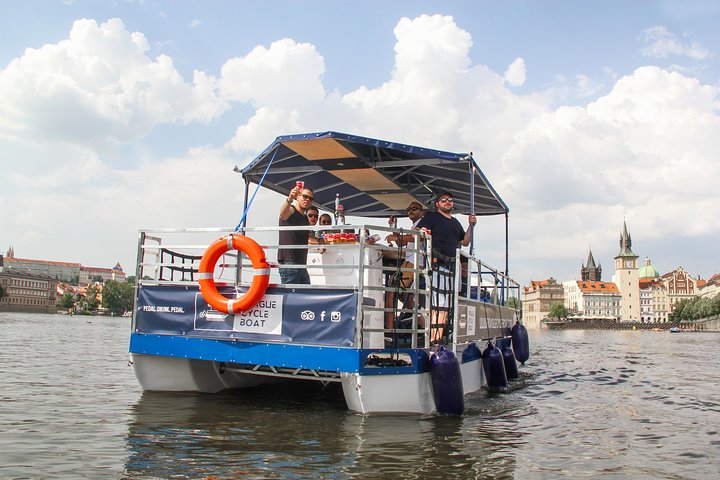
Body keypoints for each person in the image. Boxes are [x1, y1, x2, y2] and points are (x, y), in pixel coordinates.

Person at [415, 192, 476, 342]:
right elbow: (418, 231)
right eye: (444, 200)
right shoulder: (432, 217)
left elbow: (465, 241)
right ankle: (434, 340)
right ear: (438, 204)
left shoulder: (455, 222)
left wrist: (471, 225)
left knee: (447, 305)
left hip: (453, 267)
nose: (447, 202)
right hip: (437, 265)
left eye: (450, 200)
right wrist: (422, 232)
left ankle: (437, 338)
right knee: (438, 303)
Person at [278, 185, 315, 284]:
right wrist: (289, 199)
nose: (307, 200)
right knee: (291, 296)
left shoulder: (305, 218)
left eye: (310, 198)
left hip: (302, 264)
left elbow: (306, 237)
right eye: (305, 197)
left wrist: (320, 242)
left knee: (304, 296)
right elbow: (282, 214)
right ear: (298, 196)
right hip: (289, 263)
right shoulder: (291, 210)